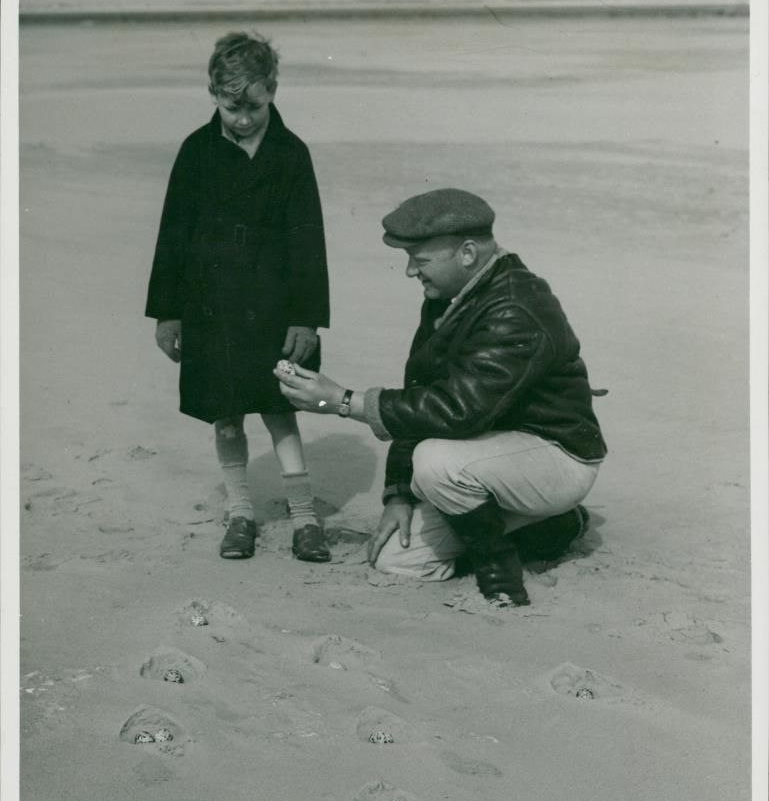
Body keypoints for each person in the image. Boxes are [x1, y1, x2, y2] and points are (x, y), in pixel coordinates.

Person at [274, 188, 607, 606]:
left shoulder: (516, 307)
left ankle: (500, 573)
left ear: (467, 253)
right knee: (399, 561)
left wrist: (341, 401)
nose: (410, 271)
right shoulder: (449, 297)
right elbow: (421, 391)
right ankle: (550, 527)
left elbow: (456, 410)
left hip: (555, 456)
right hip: (487, 459)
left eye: (420, 259)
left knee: (436, 464)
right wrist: (399, 494)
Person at [145, 31, 332, 562]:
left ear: (273, 90)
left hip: (275, 307)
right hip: (210, 306)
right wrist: (167, 313)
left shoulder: (291, 154)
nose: (244, 119)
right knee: (225, 413)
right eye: (232, 107)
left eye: (254, 106)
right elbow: (172, 235)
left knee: (280, 408)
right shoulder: (195, 151)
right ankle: (241, 512)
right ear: (213, 94)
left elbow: (308, 240)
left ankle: (305, 517)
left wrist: (306, 317)